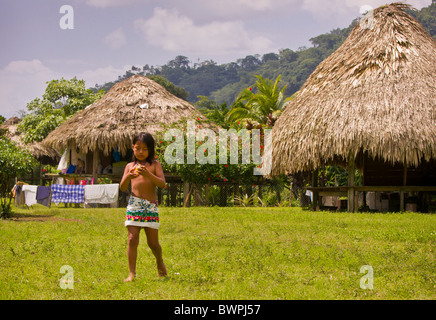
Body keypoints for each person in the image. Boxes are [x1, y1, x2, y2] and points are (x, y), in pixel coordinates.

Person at [120, 132, 167, 282]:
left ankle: (159, 262)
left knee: (153, 243)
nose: (141, 152)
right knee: (132, 239)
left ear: (150, 150)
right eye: (138, 148)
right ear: (132, 148)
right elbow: (122, 187)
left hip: (150, 206)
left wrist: (148, 174)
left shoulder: (154, 165)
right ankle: (131, 274)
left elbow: (161, 183)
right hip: (134, 205)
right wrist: (128, 176)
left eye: (145, 149)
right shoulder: (129, 166)